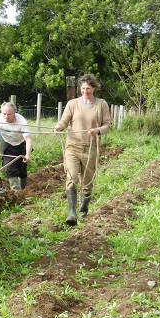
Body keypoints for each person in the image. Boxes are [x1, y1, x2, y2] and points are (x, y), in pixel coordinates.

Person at [54, 74, 111, 226]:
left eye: (88, 88)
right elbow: (64, 121)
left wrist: (97, 130)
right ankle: (72, 214)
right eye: (83, 88)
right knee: (71, 178)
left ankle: (83, 211)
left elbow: (107, 125)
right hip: (72, 146)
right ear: (80, 89)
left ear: (94, 88)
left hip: (91, 148)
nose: (85, 91)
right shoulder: (72, 104)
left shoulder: (101, 104)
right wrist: (59, 127)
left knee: (87, 183)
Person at [0, 101, 33, 191]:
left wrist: (28, 155)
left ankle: (24, 188)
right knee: (10, 168)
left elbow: (28, 139)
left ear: (14, 113)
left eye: (9, 114)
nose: (6, 117)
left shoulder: (21, 121)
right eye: (4, 114)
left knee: (22, 169)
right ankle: (16, 192)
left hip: (21, 144)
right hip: (7, 144)